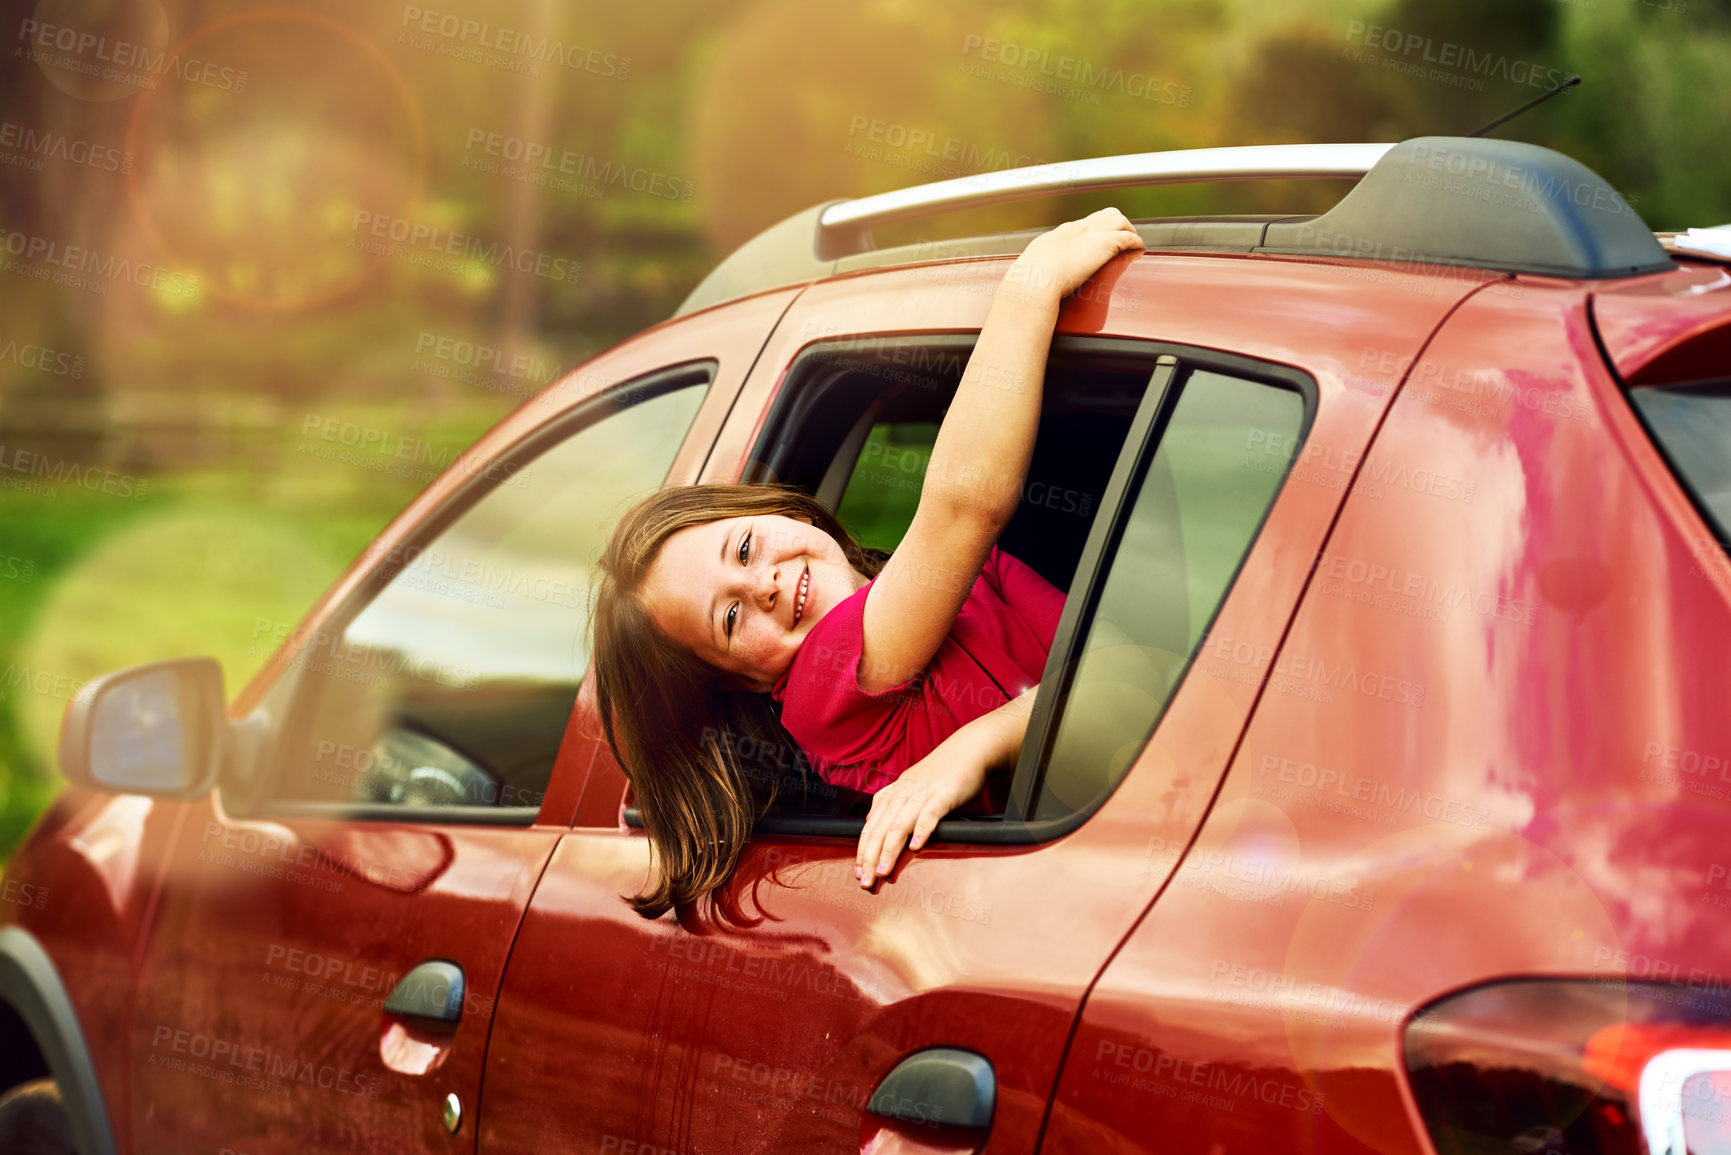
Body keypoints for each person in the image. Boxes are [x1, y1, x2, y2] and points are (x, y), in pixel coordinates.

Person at [590, 208, 1145, 917]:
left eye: (745, 547)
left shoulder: (975, 579)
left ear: (781, 513)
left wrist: (982, 739)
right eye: (728, 617)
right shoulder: (822, 701)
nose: (760, 584)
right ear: (746, 682)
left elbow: (1126, 674)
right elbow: (961, 508)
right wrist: (1028, 287)